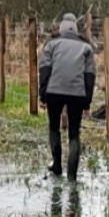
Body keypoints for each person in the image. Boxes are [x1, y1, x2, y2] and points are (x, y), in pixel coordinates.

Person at [39, 14, 96, 181]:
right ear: (76, 30)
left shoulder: (51, 44)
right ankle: (72, 176)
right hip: (77, 94)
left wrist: (43, 96)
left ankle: (57, 165)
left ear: (61, 28)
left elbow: (44, 70)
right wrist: (87, 102)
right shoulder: (86, 47)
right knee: (74, 134)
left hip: (54, 92)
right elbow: (89, 76)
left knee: (54, 127)